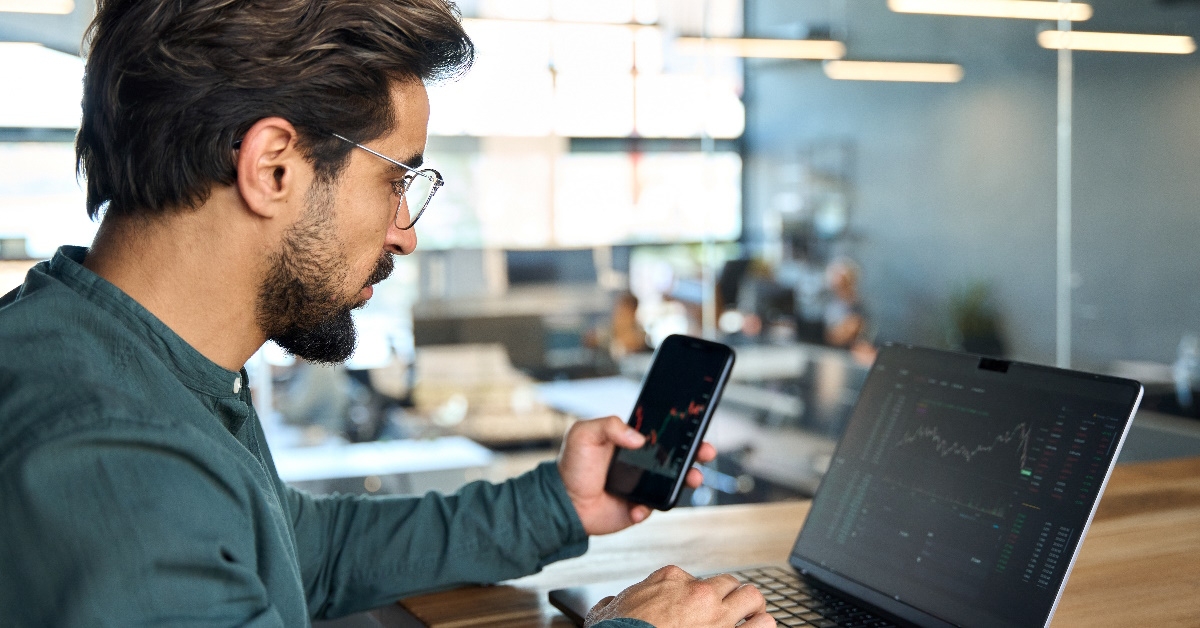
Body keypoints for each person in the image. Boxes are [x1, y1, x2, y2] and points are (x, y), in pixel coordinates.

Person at [0, 1, 772, 627]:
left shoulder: (109, 355)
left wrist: (555, 505)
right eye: (396, 179)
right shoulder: (114, 455)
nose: (405, 231)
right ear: (272, 167)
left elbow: (305, 552)